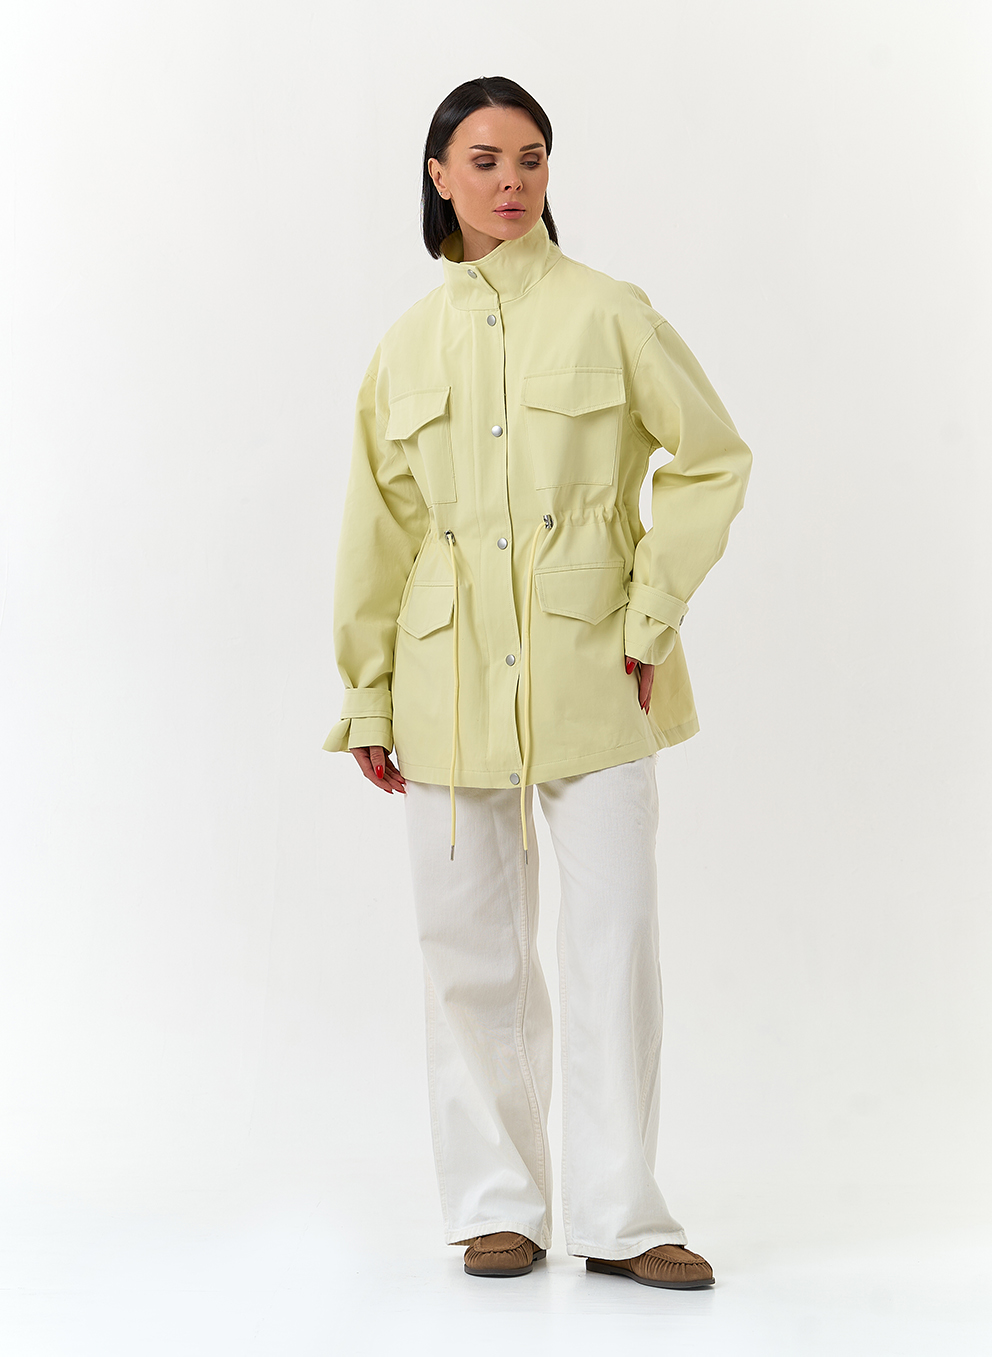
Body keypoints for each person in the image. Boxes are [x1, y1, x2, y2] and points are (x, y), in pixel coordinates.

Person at [324, 76, 751, 1289]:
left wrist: (651, 610)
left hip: (595, 670)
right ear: (438, 176)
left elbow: (712, 460)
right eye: (484, 158)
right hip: (444, 679)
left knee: (614, 941)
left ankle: (621, 1215)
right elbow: (377, 535)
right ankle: (495, 1206)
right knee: (468, 952)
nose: (510, 179)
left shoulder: (610, 313)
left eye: (530, 157)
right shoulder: (403, 347)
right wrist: (367, 694)